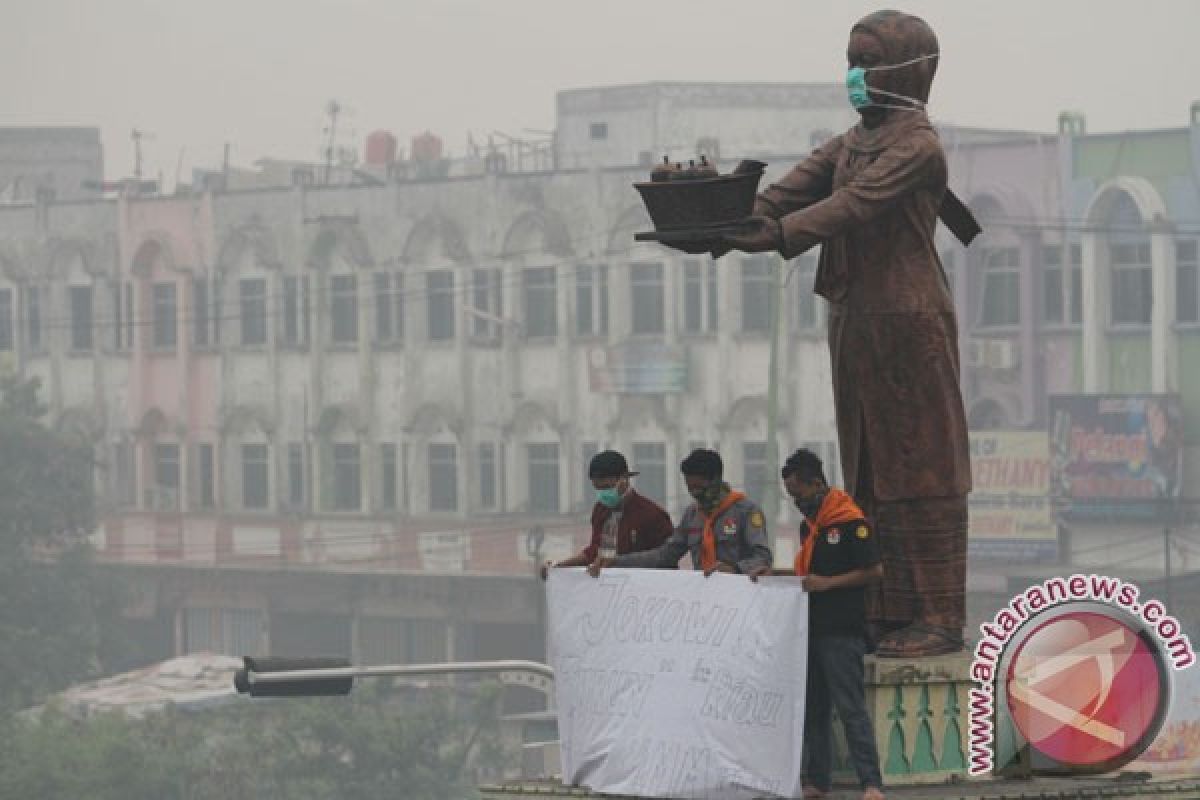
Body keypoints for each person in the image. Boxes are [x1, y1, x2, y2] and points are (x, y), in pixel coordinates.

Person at [691, 10, 975, 657]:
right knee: (870, 466)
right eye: (851, 61)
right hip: (853, 317)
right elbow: (793, 190)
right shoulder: (849, 142)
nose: (854, 75)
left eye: (867, 62)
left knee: (921, 468)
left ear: (907, 71)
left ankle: (936, 612)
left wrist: (777, 236)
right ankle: (885, 605)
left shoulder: (916, 145)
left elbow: (850, 205)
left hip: (909, 322)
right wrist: (737, 219)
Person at [752, 448, 884, 800]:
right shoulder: (810, 526)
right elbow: (805, 575)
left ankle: (871, 783)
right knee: (814, 709)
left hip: (842, 631)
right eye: (792, 496)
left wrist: (828, 583)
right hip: (809, 629)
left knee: (851, 709)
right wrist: (775, 574)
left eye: (799, 493)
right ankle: (817, 780)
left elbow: (873, 571)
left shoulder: (851, 523)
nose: (797, 501)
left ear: (816, 484)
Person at [589, 448, 771, 576]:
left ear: (716, 480)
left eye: (700, 488)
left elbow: (762, 557)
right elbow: (665, 555)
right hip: (706, 596)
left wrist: (735, 569)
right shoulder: (692, 515)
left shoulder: (746, 511)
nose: (695, 494)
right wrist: (617, 562)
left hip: (740, 597)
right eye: (690, 488)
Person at [541, 450, 673, 579]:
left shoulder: (652, 514)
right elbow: (595, 551)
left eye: (606, 487)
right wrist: (559, 566)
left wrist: (619, 562)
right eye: (598, 489)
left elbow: (667, 558)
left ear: (624, 479)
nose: (602, 494)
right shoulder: (600, 510)